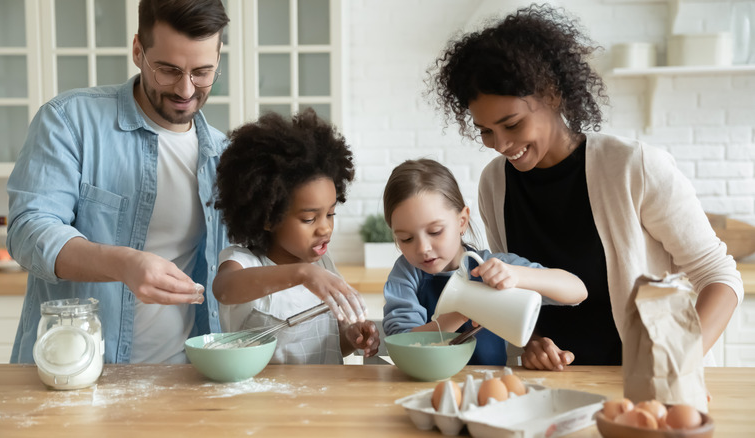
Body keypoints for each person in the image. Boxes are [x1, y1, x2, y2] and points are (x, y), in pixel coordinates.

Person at [427, 4, 744, 370]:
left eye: (511, 125)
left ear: (552, 94)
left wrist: (678, 364)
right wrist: (531, 342)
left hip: (645, 383)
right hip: (553, 385)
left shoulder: (632, 167)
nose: (500, 144)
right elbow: (514, 290)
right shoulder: (494, 182)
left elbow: (718, 276)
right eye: (485, 131)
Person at [7, 0, 230, 364]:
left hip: (184, 381)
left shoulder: (224, 157)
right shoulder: (70, 121)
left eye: (202, 72)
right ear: (138, 50)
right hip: (74, 377)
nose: (186, 90)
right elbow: (28, 232)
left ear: (218, 58)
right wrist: (123, 264)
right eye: (168, 70)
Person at [212, 109, 380, 364]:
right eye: (309, 219)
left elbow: (329, 344)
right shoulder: (244, 262)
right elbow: (224, 289)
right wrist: (302, 273)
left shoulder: (324, 266)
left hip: (321, 400)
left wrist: (353, 337)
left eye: (331, 214)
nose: (325, 228)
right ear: (268, 217)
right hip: (262, 404)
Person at [380, 159, 587, 365]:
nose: (422, 248)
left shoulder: (492, 267)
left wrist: (518, 275)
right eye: (406, 238)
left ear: (462, 221)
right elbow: (404, 342)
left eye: (435, 232)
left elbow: (577, 291)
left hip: (488, 386)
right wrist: (463, 310)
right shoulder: (406, 274)